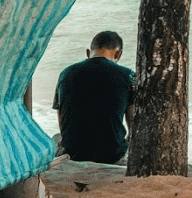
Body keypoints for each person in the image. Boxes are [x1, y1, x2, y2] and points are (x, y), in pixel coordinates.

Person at [53, 30, 135, 164]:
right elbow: (134, 123)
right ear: (118, 53)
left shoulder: (66, 73)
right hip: (111, 154)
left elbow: (61, 116)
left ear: (88, 53)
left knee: (56, 138)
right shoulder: (128, 75)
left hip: (73, 153)